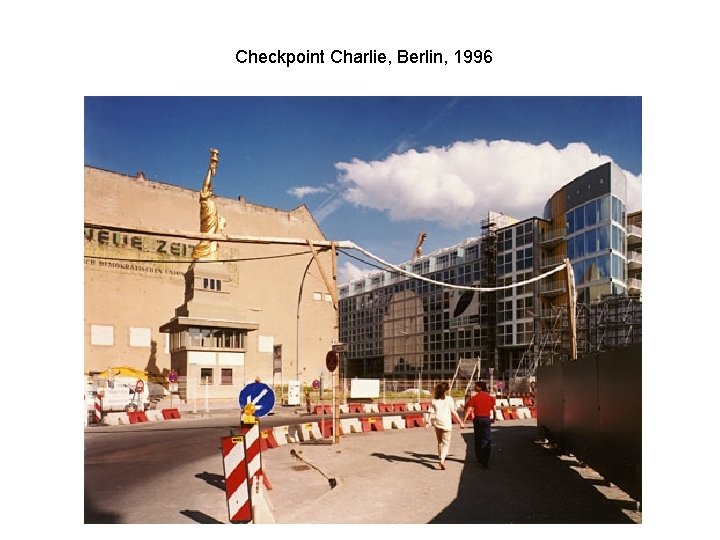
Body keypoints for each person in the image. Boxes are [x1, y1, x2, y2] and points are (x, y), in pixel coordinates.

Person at [192, 148, 226, 260]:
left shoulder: (212, 203)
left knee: (213, 244)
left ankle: (211, 255)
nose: (211, 190)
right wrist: (210, 169)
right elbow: (206, 184)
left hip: (213, 234)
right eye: (209, 189)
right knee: (206, 241)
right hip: (206, 230)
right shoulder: (204, 200)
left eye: (211, 189)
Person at [429, 381, 465, 470]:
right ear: (447, 389)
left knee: (440, 442)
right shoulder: (449, 399)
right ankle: (442, 460)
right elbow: (453, 412)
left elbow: (431, 412)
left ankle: (440, 456)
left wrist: (427, 422)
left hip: (437, 423)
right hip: (447, 424)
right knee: (446, 443)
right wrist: (460, 422)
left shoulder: (434, 400)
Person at [462, 381, 496, 469]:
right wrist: (494, 418)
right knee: (486, 439)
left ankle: (479, 457)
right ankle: (486, 460)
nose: (474, 387)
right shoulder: (490, 398)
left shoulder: (475, 398)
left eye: (476, 386)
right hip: (487, 419)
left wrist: (464, 421)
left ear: (480, 388)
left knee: (478, 438)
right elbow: (495, 409)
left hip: (477, 419)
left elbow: (469, 409)